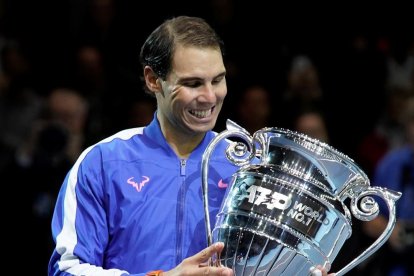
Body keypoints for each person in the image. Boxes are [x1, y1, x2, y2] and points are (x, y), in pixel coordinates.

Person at [48, 16, 334, 276]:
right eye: (193, 83)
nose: (210, 97)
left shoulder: (249, 167)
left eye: (218, 80)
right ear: (153, 80)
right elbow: (67, 270)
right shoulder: (103, 163)